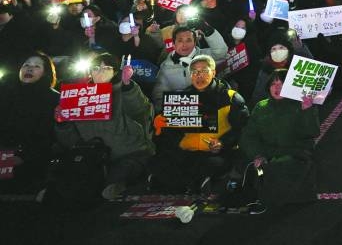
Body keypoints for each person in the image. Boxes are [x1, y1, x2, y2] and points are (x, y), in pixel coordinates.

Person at [54, 52, 155, 200]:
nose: (100, 71)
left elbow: (140, 110)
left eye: (107, 68)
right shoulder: (78, 95)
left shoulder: (124, 91)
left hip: (128, 154)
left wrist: (128, 86)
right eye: (96, 68)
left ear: (115, 72)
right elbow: (70, 140)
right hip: (92, 156)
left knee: (118, 176)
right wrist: (61, 123)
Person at [150, 54, 250, 193]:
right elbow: (170, 136)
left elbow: (242, 129)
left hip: (215, 154)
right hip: (186, 153)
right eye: (195, 72)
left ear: (213, 72)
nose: (199, 75)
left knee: (212, 165)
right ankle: (191, 185)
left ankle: (198, 184)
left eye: (203, 71)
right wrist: (161, 127)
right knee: (159, 162)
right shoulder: (182, 98)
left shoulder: (230, 97)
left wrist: (222, 143)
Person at [238, 69, 320, 213]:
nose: (277, 87)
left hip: (295, 154)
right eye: (273, 84)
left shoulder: (300, 105)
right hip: (267, 154)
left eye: (282, 83)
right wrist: (257, 154)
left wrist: (307, 111)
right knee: (244, 166)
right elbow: (248, 136)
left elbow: (311, 132)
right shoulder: (260, 107)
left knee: (277, 168)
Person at [0, 53, 59, 192]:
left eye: (36, 66)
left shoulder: (53, 98)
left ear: (45, 73)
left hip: (33, 162)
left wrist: (24, 156)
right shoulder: (5, 93)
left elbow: (48, 135)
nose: (29, 69)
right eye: (26, 65)